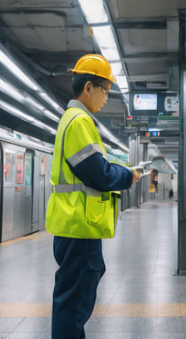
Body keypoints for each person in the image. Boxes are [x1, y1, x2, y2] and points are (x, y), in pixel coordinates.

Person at [46, 53, 141, 338]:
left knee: (72, 300)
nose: (105, 99)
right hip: (80, 227)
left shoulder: (72, 120)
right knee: (74, 304)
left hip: (74, 224)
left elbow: (92, 168)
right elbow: (99, 174)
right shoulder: (79, 122)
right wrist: (128, 175)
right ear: (88, 87)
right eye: (105, 92)